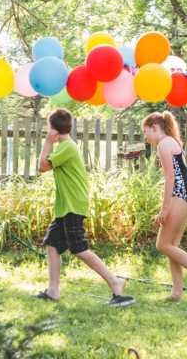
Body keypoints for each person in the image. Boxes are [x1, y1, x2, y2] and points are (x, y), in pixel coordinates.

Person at [37, 109, 134, 307]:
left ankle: (115, 283)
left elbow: (42, 166)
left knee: (79, 248)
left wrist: (48, 141)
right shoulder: (65, 146)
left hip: (73, 205)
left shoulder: (66, 146)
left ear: (53, 129)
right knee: (52, 244)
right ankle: (53, 290)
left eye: (48, 127)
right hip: (66, 206)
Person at [141, 111, 187, 300]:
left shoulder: (164, 144)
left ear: (155, 127)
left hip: (180, 195)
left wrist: (164, 209)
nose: (145, 137)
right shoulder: (173, 141)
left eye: (146, 132)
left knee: (163, 244)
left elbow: (170, 178)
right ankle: (177, 292)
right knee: (172, 245)